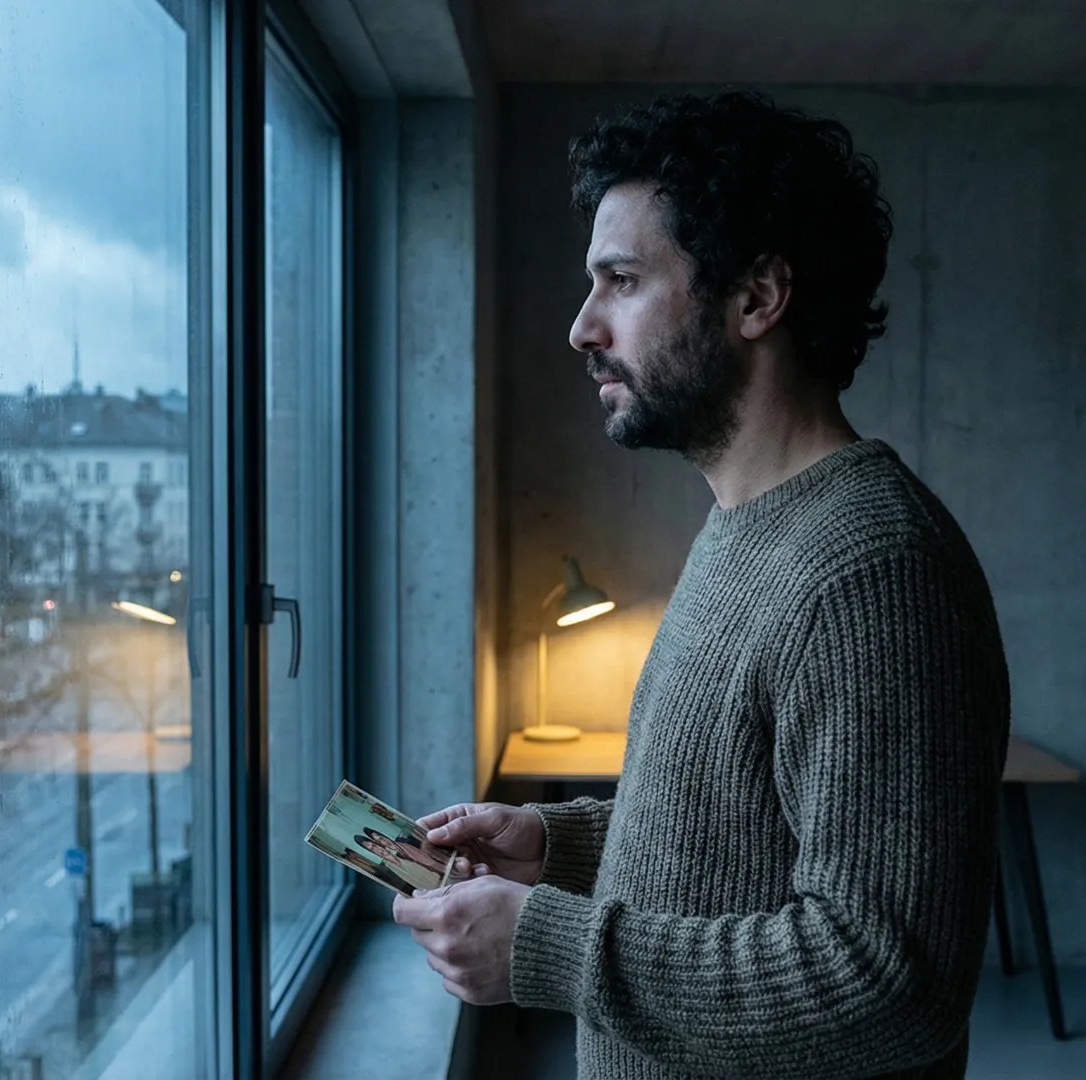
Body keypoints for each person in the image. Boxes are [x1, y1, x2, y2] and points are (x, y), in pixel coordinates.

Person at [391, 90, 1011, 1080]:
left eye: (622, 281)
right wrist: (556, 847)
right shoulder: (746, 523)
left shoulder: (871, 573)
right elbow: (727, 836)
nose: (581, 328)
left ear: (758, 297)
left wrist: (550, 947)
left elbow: (890, 980)